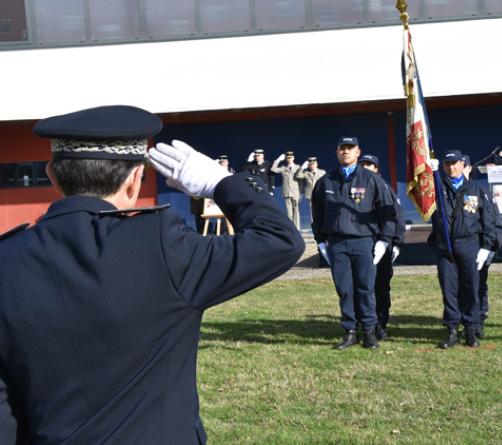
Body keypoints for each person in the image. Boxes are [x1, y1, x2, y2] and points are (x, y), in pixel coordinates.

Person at [0, 105, 304, 444]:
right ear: (134, 180)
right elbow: (280, 242)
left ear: (53, 176)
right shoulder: (162, 245)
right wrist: (223, 183)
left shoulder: (6, 258)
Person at [310, 137, 396, 350]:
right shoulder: (326, 181)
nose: (346, 152)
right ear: (336, 152)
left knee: (366, 287)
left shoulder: (371, 179)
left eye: (350, 148)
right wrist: (320, 241)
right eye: (342, 148)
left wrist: (384, 240)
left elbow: (387, 211)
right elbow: (317, 213)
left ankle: (369, 331)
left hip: (364, 241)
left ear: (358, 152)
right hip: (337, 243)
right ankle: (350, 332)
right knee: (345, 289)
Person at [428, 150, 496, 349]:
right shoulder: (437, 188)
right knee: (449, 290)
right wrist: (428, 174)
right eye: (447, 164)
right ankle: (452, 330)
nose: (451, 167)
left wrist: (487, 246)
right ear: (443, 167)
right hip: (445, 246)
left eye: (455, 163)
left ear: (462, 165)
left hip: (469, 244)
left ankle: (471, 329)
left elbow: (488, 220)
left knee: (471, 288)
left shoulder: (477, 189)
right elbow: (421, 196)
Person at [358, 154, 405, 340]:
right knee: (361, 285)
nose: (365, 168)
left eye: (369, 165)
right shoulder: (353, 188)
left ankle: (380, 323)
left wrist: (397, 242)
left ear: (376, 169)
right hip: (361, 242)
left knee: (381, 286)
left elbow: (396, 216)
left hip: (383, 242)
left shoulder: (385, 188)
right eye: (362, 164)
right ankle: (364, 323)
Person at [463, 154, 502, 338]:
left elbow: (494, 221)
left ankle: (478, 320)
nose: (460, 170)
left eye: (464, 166)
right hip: (461, 248)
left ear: (469, 168)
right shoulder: (448, 192)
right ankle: (466, 320)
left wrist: (491, 247)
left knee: (479, 285)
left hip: (480, 247)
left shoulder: (480, 191)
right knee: (462, 286)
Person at [271, 151, 302, 229]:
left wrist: (301, 192)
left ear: (293, 158)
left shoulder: (298, 167)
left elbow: (301, 181)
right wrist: (278, 160)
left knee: (296, 210)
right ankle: (290, 228)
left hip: (295, 192)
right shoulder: (283, 168)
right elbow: (273, 169)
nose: (289, 159)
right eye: (288, 158)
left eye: (290, 158)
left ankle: (297, 228)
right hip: (287, 192)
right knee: (289, 212)